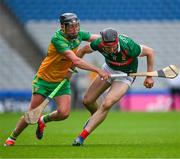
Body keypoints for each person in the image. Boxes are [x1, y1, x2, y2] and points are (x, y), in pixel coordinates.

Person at [4, 13, 109, 146]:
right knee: (32, 113)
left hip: (62, 80)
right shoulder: (58, 39)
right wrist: (98, 70)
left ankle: (43, 120)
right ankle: (12, 137)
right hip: (44, 80)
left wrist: (115, 38)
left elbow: (98, 38)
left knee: (64, 113)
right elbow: (76, 60)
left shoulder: (79, 35)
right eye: (71, 27)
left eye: (76, 26)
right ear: (62, 27)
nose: (74, 29)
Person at [72, 28, 155, 146]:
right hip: (108, 69)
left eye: (113, 47)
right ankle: (95, 118)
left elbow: (150, 52)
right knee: (87, 101)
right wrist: (72, 67)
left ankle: (81, 137)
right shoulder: (99, 43)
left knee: (107, 103)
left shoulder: (129, 46)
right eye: (107, 48)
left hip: (125, 76)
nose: (111, 50)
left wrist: (149, 77)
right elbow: (83, 50)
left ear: (117, 42)